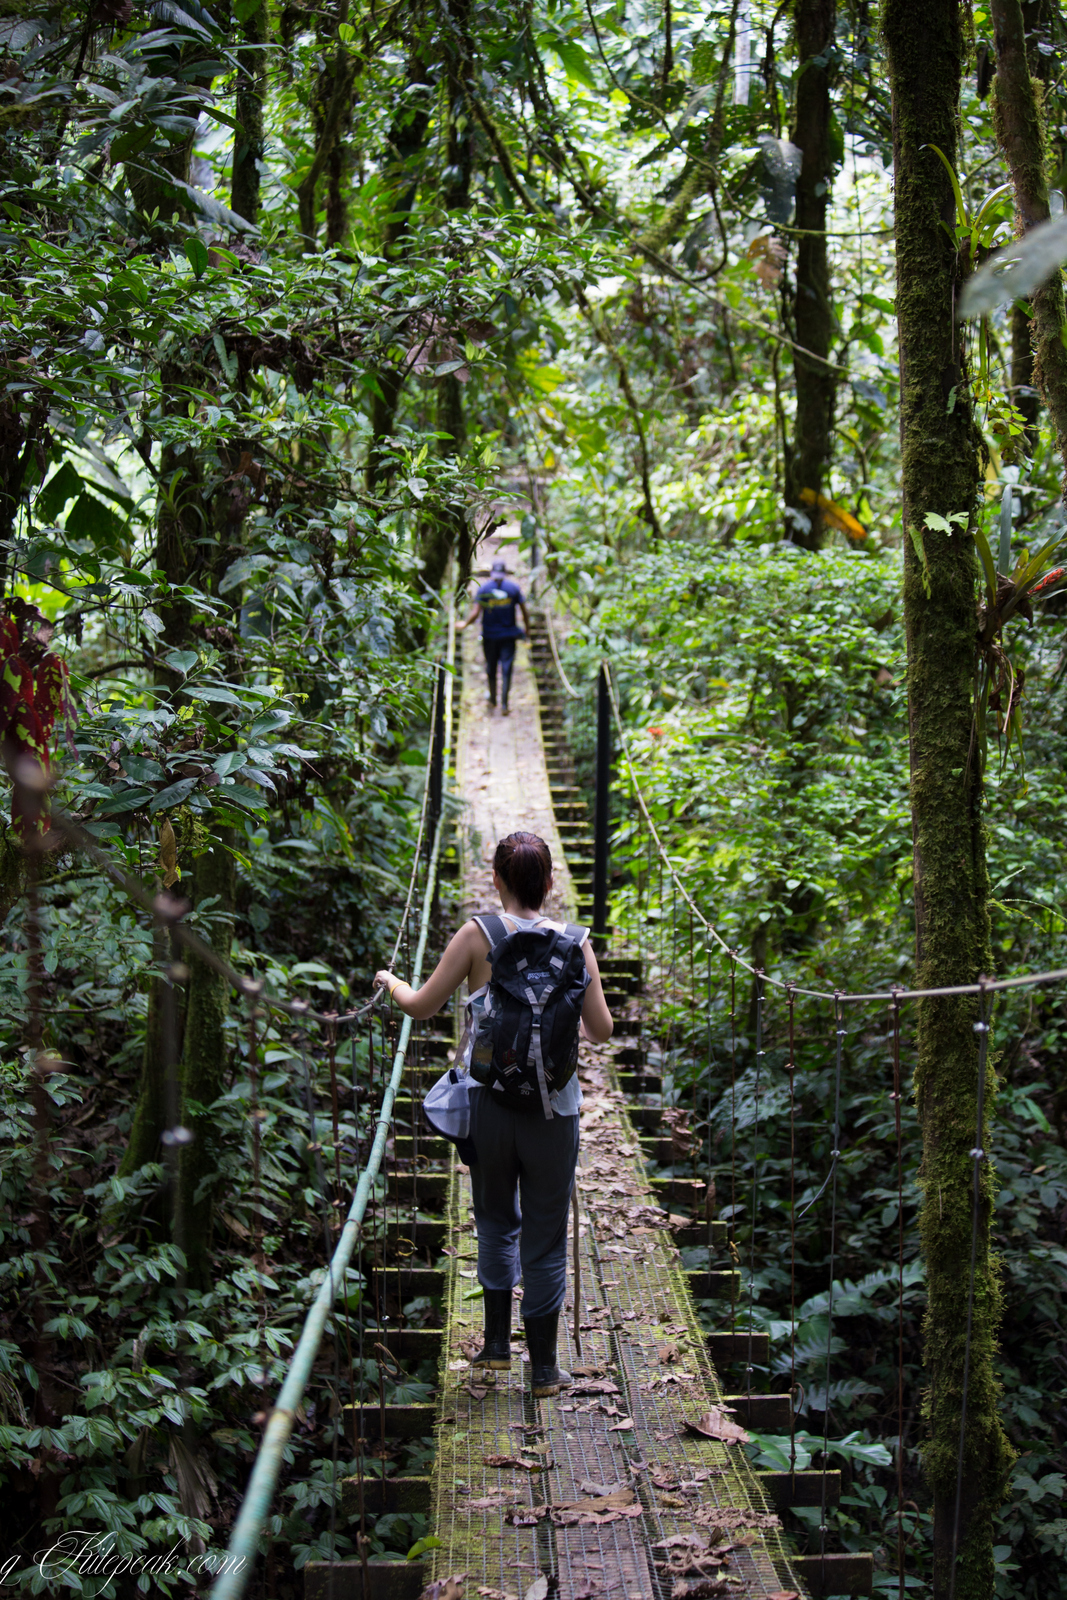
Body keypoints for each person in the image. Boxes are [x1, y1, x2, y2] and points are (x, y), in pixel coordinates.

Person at [374, 831, 613, 1395]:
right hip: (556, 1112)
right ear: (551, 884)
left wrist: (391, 982)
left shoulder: (477, 935)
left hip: (488, 1105)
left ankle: (497, 1345)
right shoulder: (576, 944)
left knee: (496, 1218)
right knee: (547, 1235)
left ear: (497, 881)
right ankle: (546, 1369)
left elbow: (421, 1006)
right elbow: (601, 1031)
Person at [456, 558, 531, 715]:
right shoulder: (513, 588)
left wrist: (465, 624)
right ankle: (504, 704)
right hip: (509, 636)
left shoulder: (484, 589)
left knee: (491, 667)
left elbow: (476, 613)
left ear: (492, 573)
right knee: (506, 668)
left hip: (490, 637)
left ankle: (493, 701)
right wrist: (527, 631)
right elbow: (524, 611)